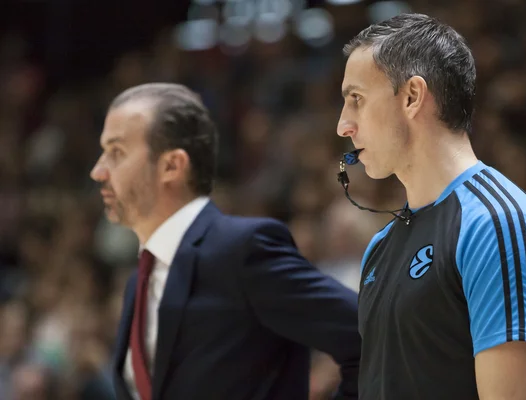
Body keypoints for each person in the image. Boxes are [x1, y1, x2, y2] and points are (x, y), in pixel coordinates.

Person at [336, 13, 526, 400]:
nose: (343, 125)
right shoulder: (381, 247)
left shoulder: (498, 224)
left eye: (356, 99)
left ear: (412, 96)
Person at [89, 83, 361, 400]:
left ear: (171, 166)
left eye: (116, 153)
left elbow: (369, 338)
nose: (98, 171)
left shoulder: (242, 249)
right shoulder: (137, 282)